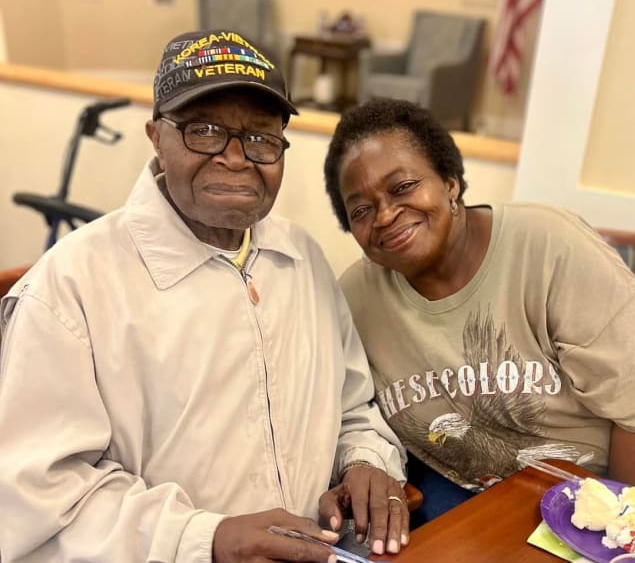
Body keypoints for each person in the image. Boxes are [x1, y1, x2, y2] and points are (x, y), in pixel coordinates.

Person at [0, 31, 410, 562]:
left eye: (261, 136)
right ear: (156, 137)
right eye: (205, 131)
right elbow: (34, 503)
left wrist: (365, 462)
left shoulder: (301, 259)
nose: (236, 158)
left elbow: (353, 407)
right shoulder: (71, 289)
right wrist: (205, 540)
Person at [322, 97, 635, 539]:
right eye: (362, 210)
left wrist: (615, 535)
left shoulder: (552, 248)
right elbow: (351, 412)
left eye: (403, 186)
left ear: (450, 182)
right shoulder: (356, 299)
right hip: (504, 506)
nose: (386, 215)